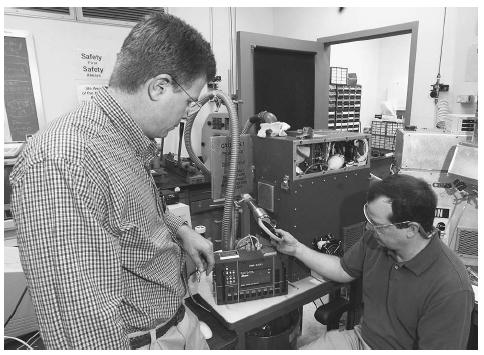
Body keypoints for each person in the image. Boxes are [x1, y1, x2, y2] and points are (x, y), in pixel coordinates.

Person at [10, 12, 216, 350]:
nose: (186, 115)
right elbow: (82, 325)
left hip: (176, 323)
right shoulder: (65, 161)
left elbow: (127, 216)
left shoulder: (121, 140)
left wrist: (180, 231)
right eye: (190, 102)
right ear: (159, 87)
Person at [273, 174, 474, 349]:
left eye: (377, 225)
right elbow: (342, 269)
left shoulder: (450, 287)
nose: (369, 229)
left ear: (411, 229)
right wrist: (296, 248)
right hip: (359, 340)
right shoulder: (376, 241)